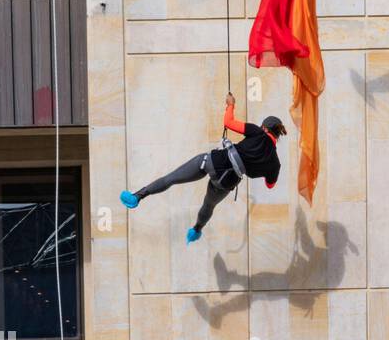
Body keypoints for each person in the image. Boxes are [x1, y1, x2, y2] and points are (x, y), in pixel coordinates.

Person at [120, 94, 286, 244]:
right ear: (277, 136)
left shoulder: (258, 133)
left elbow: (228, 122)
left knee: (171, 179)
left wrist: (230, 105)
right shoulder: (274, 164)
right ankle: (196, 230)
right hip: (226, 182)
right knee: (208, 206)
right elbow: (270, 185)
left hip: (212, 162)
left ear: (264, 128)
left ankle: (137, 197)